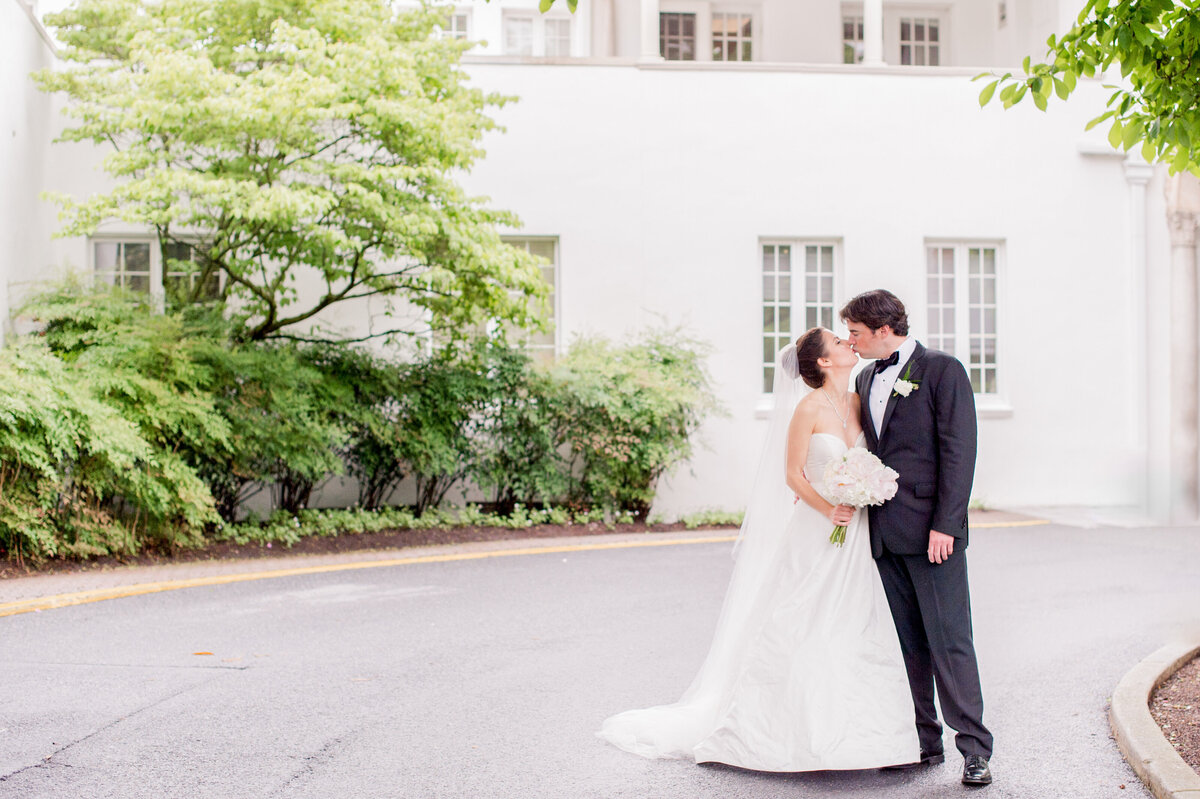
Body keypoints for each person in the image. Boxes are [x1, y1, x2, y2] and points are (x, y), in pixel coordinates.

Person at [597, 327, 919, 771]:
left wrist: (865, 489)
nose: (849, 344)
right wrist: (830, 509)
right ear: (824, 362)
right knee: (802, 620)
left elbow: (869, 458)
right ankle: (784, 733)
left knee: (853, 621)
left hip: (856, 532)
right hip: (818, 528)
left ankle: (858, 733)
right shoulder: (807, 408)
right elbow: (793, 476)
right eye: (839, 342)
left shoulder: (859, 400)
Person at [841, 289, 994, 787]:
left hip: (934, 534)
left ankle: (974, 749)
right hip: (884, 534)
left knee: (950, 642)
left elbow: (959, 451)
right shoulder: (865, 377)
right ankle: (924, 743)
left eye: (856, 332)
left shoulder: (942, 370)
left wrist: (946, 525)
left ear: (884, 330)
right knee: (908, 645)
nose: (851, 340)